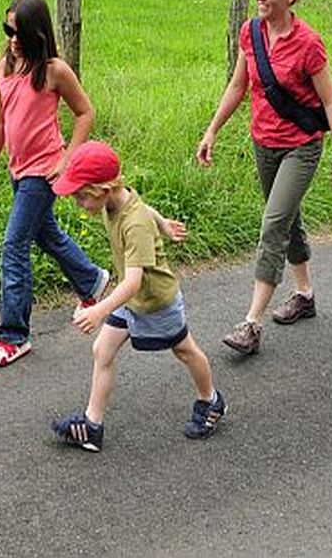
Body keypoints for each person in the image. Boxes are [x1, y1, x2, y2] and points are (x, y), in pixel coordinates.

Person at [195, 0, 332, 356]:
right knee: (288, 219)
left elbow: (331, 105)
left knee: (273, 224)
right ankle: (305, 294)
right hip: (263, 142)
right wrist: (212, 130)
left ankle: (251, 323)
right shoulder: (251, 33)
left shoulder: (308, 44)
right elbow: (237, 87)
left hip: (302, 144)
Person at [49, 141, 226, 451]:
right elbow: (144, 206)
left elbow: (133, 281)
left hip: (156, 301)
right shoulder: (117, 199)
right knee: (102, 350)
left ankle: (211, 400)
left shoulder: (134, 224)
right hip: (131, 301)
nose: (78, 203)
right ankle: (92, 425)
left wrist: (98, 310)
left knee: (185, 351)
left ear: (103, 189)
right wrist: (165, 225)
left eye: (80, 196)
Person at [0, 0, 109, 367]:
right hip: (18, 168)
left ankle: (13, 335)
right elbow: (0, 122)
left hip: (44, 170)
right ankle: (91, 281)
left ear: (39, 33)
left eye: (20, 33)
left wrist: (68, 159)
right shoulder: (1, 68)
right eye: (8, 30)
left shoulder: (53, 70)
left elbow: (85, 113)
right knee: (45, 233)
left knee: (14, 244)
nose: (13, 39)